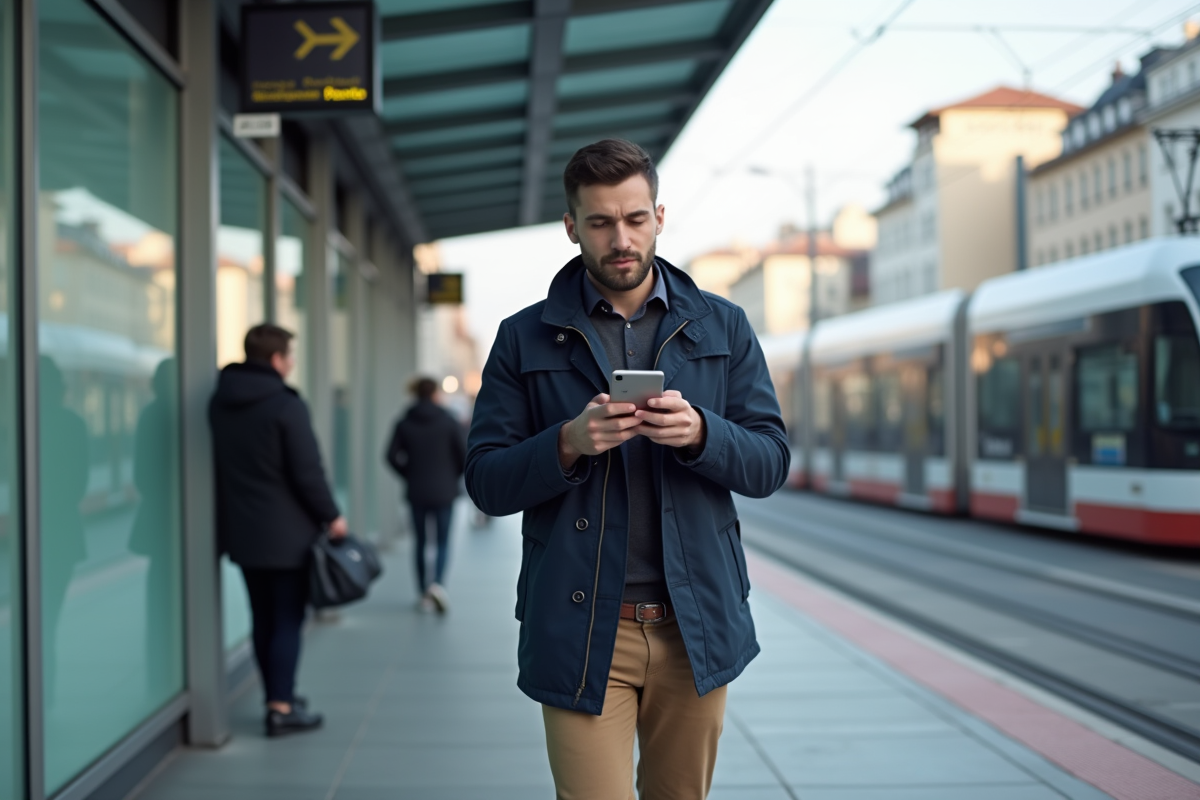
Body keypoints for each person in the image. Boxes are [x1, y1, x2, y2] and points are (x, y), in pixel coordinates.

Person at [465, 139, 789, 799]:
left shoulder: (723, 326)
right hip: (582, 624)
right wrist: (567, 443)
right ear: (571, 226)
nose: (621, 239)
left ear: (659, 217)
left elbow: (770, 462)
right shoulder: (522, 337)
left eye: (636, 218)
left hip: (695, 623)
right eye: (601, 222)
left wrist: (702, 434)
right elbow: (486, 481)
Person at [210, 323, 347, 737]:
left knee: (262, 617)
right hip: (288, 535)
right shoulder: (286, 405)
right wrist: (331, 515)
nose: (291, 364)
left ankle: (276, 695)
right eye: (289, 356)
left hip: (243, 530)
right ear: (276, 359)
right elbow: (308, 472)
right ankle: (282, 707)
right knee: (288, 618)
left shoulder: (219, 401)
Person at [386, 376, 466, 613]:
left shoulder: (404, 422)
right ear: (435, 394)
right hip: (444, 491)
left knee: (420, 542)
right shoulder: (449, 421)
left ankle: (423, 592)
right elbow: (464, 455)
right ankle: (437, 586)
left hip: (417, 491)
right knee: (442, 541)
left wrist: (409, 474)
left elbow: (390, 456)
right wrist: (451, 475)